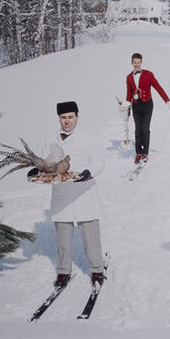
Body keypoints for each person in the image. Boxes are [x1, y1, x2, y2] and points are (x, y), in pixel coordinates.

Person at [32, 100, 105, 288]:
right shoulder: (51, 140)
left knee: (90, 234)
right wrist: (36, 171)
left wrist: (89, 172)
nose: (67, 121)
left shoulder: (88, 138)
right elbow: (45, 163)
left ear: (77, 117)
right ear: (59, 118)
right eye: (63, 117)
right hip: (61, 193)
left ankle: (97, 269)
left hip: (83, 191)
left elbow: (99, 161)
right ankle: (64, 271)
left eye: (70, 117)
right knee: (63, 236)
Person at [125, 52, 170, 163]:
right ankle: (138, 152)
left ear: (141, 62)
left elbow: (158, 87)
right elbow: (129, 93)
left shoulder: (148, 74)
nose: (136, 64)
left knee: (145, 129)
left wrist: (167, 100)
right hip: (136, 105)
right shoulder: (129, 77)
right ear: (132, 63)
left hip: (147, 105)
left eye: (138, 62)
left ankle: (145, 152)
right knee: (137, 130)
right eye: (134, 62)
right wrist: (126, 105)